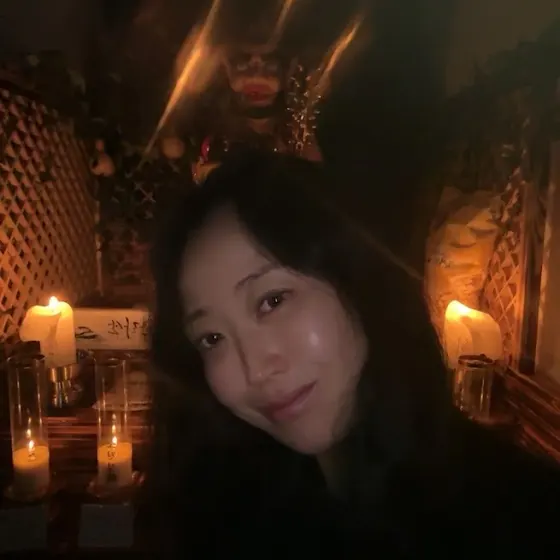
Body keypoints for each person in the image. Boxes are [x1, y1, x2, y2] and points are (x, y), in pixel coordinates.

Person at [141, 152, 560, 557]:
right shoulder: (228, 508)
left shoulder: (525, 519)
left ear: (356, 279)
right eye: (212, 338)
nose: (256, 369)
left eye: (272, 300)